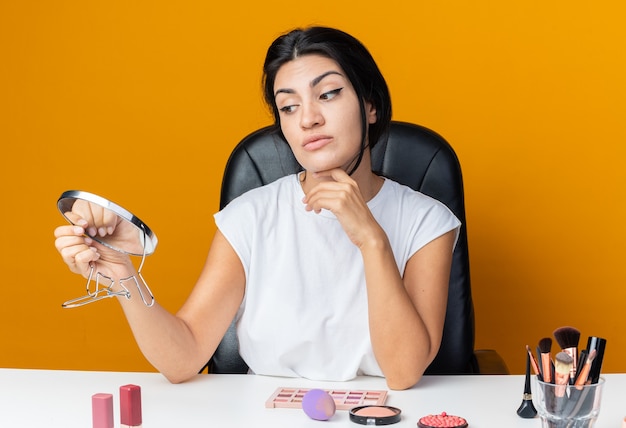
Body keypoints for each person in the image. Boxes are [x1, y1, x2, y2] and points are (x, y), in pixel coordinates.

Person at [54, 26, 461, 390]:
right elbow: (183, 359)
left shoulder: (427, 221)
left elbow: (403, 373)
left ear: (370, 106)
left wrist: (371, 239)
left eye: (329, 93)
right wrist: (123, 274)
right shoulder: (250, 216)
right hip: (264, 413)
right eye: (289, 106)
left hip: (382, 415)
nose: (309, 119)